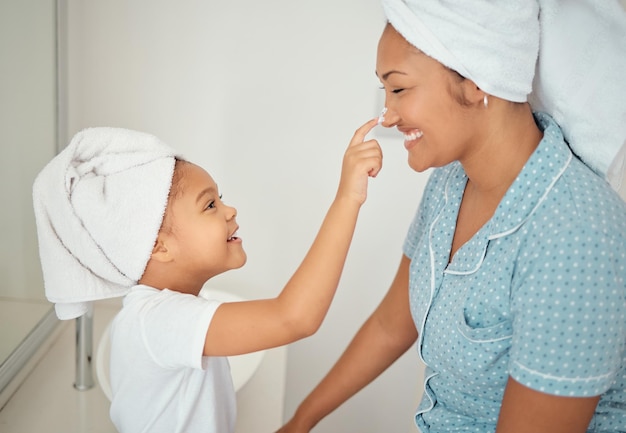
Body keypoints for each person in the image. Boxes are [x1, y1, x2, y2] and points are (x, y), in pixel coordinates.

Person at [278, 1, 626, 432]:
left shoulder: (575, 236)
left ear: (477, 82)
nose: (387, 115)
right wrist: (299, 422)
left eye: (399, 89)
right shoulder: (449, 183)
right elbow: (392, 325)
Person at [32, 122, 382, 433]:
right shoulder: (157, 320)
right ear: (159, 247)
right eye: (210, 205)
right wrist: (348, 197)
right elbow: (294, 317)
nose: (230, 210)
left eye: (220, 198)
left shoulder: (164, 312)